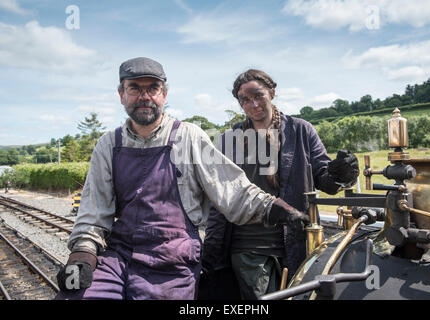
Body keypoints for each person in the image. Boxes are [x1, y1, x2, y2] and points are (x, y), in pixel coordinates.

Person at [55, 58, 310, 300]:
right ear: (121, 95)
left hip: (172, 258)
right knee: (77, 294)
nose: (144, 96)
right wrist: (82, 255)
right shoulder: (109, 144)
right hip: (118, 255)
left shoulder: (188, 137)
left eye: (153, 88)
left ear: (164, 95)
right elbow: (93, 211)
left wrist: (278, 210)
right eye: (134, 88)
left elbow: (232, 189)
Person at [199, 69, 359, 300]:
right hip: (248, 249)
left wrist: (342, 173)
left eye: (258, 95)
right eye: (245, 99)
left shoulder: (301, 130)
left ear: (272, 93)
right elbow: (219, 195)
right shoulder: (229, 140)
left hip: (296, 242)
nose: (253, 104)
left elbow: (326, 180)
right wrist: (212, 250)